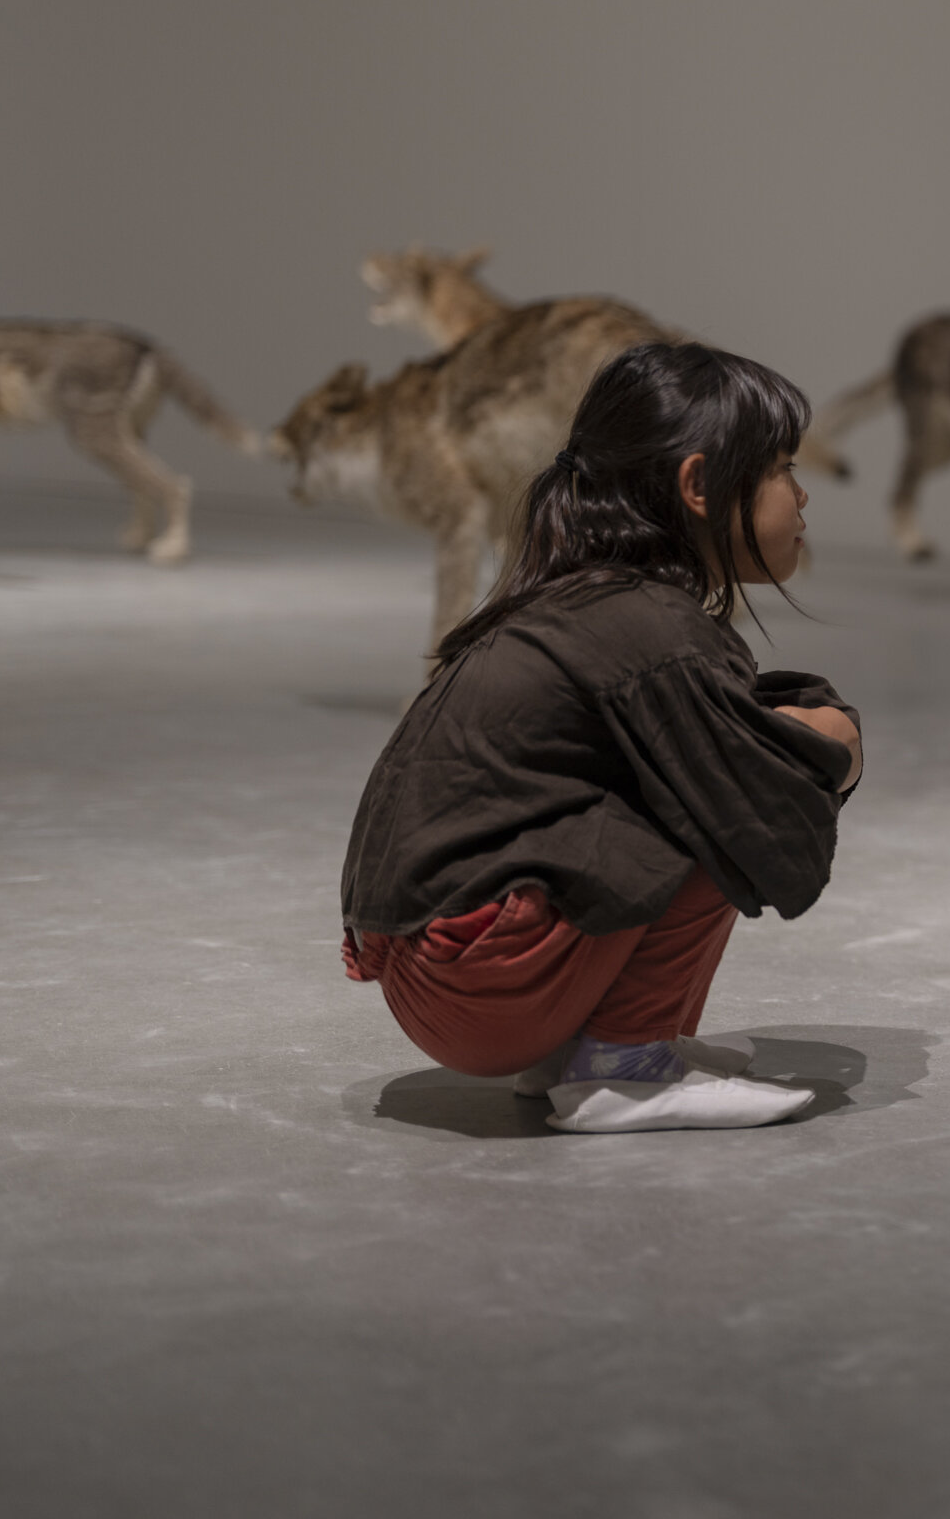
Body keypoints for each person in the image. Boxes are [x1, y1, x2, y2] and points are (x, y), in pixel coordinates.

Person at [339, 342, 864, 1133]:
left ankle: (584, 1049)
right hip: (482, 978)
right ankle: (623, 1067)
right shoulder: (648, 620)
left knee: (712, 758)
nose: (800, 496)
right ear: (697, 486)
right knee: (722, 784)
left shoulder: (587, 598)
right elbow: (762, 809)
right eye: (781, 469)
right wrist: (841, 742)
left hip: (438, 970)